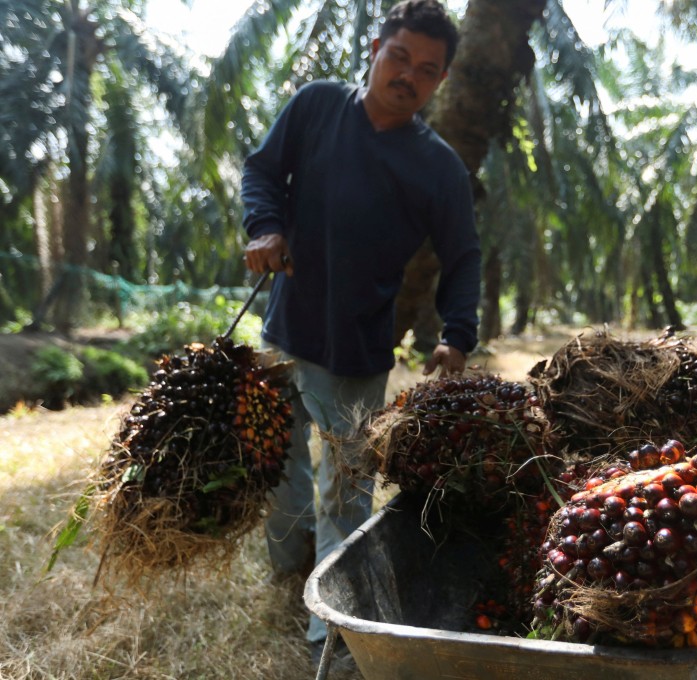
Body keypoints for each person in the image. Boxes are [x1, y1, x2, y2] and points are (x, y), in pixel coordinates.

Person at [239, 0, 480, 662]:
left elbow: (462, 256)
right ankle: (292, 578)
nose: (408, 76)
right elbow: (262, 172)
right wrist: (264, 227)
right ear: (375, 48)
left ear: (439, 82)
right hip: (284, 332)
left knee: (343, 498)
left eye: (427, 70)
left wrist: (457, 334)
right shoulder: (316, 107)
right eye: (399, 57)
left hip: (358, 354)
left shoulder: (438, 169)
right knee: (277, 469)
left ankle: (331, 637)